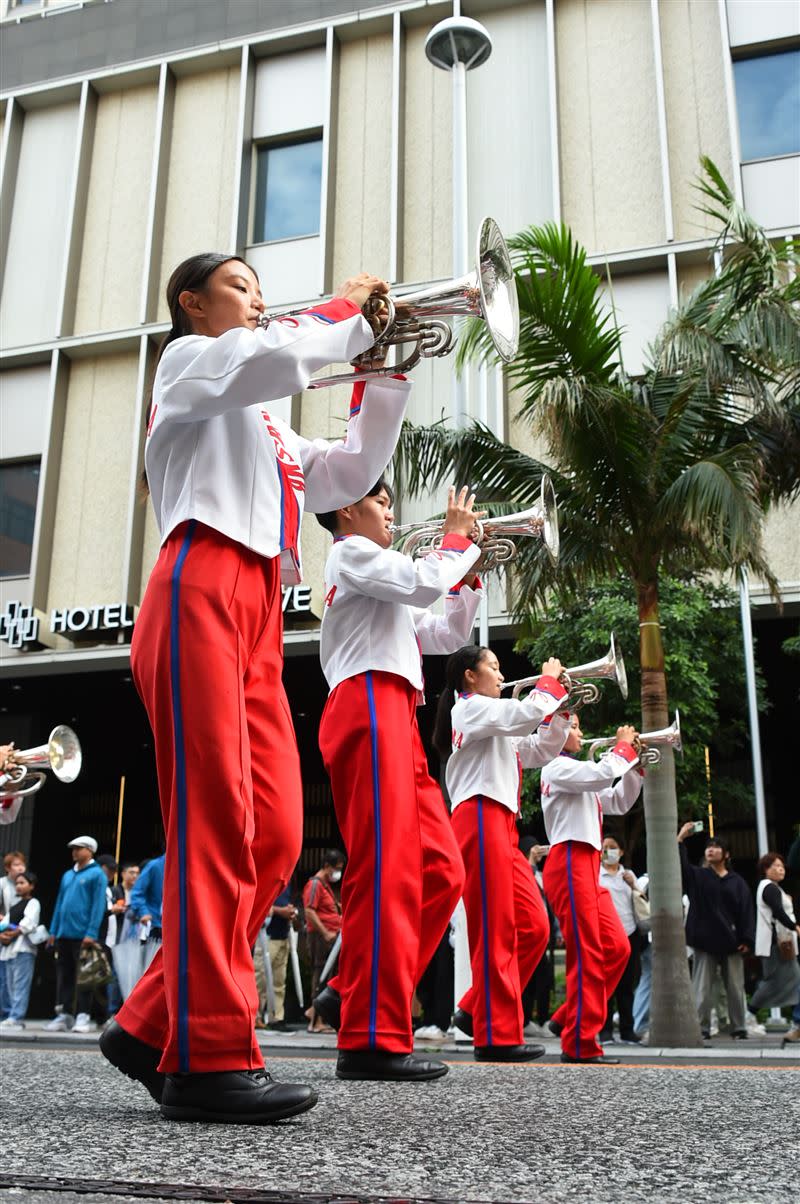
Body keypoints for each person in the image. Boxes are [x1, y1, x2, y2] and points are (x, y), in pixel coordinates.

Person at [99, 252, 409, 1125]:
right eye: (240, 286)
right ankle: (206, 1057)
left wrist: (385, 375)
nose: (258, 299)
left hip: (260, 612)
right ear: (192, 304)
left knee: (273, 833)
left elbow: (350, 474)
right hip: (198, 581)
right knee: (217, 821)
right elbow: (272, 353)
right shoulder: (191, 363)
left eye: (260, 289)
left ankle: (148, 1018)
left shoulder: (266, 420)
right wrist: (345, 309)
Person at [313, 481, 482, 1081]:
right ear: (346, 511)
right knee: (387, 868)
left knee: (442, 869)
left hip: (397, 713)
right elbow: (422, 581)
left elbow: (444, 633)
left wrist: (468, 572)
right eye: (382, 503)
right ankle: (370, 1038)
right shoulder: (350, 552)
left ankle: (348, 989)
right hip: (367, 701)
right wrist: (456, 542)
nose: (393, 513)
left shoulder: (378, 577)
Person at [433, 645, 570, 1061]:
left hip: (502, 824)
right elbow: (524, 713)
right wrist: (547, 684)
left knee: (534, 928)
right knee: (495, 929)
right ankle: (495, 1034)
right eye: (492, 666)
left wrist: (561, 710)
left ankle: (476, 1010)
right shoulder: (470, 707)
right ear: (469, 676)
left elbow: (541, 749)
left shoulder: (494, 722)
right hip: (478, 818)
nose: (500, 672)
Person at [540, 714, 644, 1065]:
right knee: (587, 952)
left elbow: (619, 801)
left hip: (588, 865)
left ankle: (567, 1017)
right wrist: (623, 749)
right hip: (569, 860)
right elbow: (603, 772)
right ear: (554, 732)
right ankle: (580, 1042)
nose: (582, 733)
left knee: (617, 949)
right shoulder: (556, 767)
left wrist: (636, 767)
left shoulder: (579, 773)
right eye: (574, 727)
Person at [677, 825, 755, 1039]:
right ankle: (700, 1028)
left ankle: (739, 1027)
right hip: (704, 940)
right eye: (708, 847)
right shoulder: (698, 876)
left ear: (727, 854)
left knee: (735, 988)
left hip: (732, 942)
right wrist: (681, 839)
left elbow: (746, 911)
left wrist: (747, 938)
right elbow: (681, 866)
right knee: (701, 988)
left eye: (717, 847)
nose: (711, 850)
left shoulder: (737, 882)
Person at [45, 836, 108, 1033]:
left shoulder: (97, 874)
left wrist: (91, 932)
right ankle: (65, 1014)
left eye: (78, 848)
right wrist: (54, 930)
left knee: (85, 977)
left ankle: (83, 1015)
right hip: (64, 934)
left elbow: (98, 906)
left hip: (83, 935)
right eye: (73, 849)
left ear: (90, 850)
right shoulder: (67, 875)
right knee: (65, 976)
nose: (74, 852)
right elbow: (59, 904)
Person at [597, 834, 646, 1044]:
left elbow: (642, 901)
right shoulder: (595, 875)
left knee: (627, 985)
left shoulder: (628, 875)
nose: (609, 851)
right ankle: (605, 1031)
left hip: (629, 933)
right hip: (604, 935)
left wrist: (633, 884)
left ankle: (627, 1031)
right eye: (605, 847)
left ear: (622, 851)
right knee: (605, 984)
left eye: (613, 847)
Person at [747, 852, 800, 1022]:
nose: (780, 869)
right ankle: (749, 1014)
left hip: (780, 943)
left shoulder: (772, 887)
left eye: (782, 866)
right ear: (765, 869)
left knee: (791, 980)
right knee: (777, 982)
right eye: (775, 866)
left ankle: (796, 1021)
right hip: (777, 943)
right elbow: (778, 912)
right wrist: (795, 926)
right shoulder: (769, 887)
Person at [519, 836, 558, 1036]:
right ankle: (524, 1020)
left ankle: (542, 1019)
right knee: (527, 978)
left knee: (543, 979)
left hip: (544, 934)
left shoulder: (541, 876)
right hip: (526, 933)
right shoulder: (522, 871)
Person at [302, 852, 343, 1032]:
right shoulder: (315, 884)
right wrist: (325, 933)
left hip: (331, 936)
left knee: (327, 975)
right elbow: (309, 911)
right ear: (327, 866)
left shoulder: (325, 886)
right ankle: (314, 1020)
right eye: (337, 868)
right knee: (320, 973)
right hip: (320, 936)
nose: (337, 872)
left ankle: (317, 1015)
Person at [0, 871, 41, 1030]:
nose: (19, 886)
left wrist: (12, 934)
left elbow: (28, 923)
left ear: (31, 886)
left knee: (20, 984)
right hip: (9, 949)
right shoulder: (15, 905)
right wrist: (3, 935)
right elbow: (6, 924)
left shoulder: (33, 902)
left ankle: (17, 1017)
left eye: (22, 883)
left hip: (23, 949)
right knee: (9, 984)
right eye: (17, 883)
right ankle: (10, 1015)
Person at [0, 850, 27, 1019]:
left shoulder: (26, 884)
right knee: (4, 979)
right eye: (16, 865)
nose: (20, 868)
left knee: (16, 979)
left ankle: (13, 1015)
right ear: (8, 868)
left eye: (22, 864)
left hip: (19, 937)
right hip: (3, 933)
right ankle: (4, 1014)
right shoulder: (2, 884)